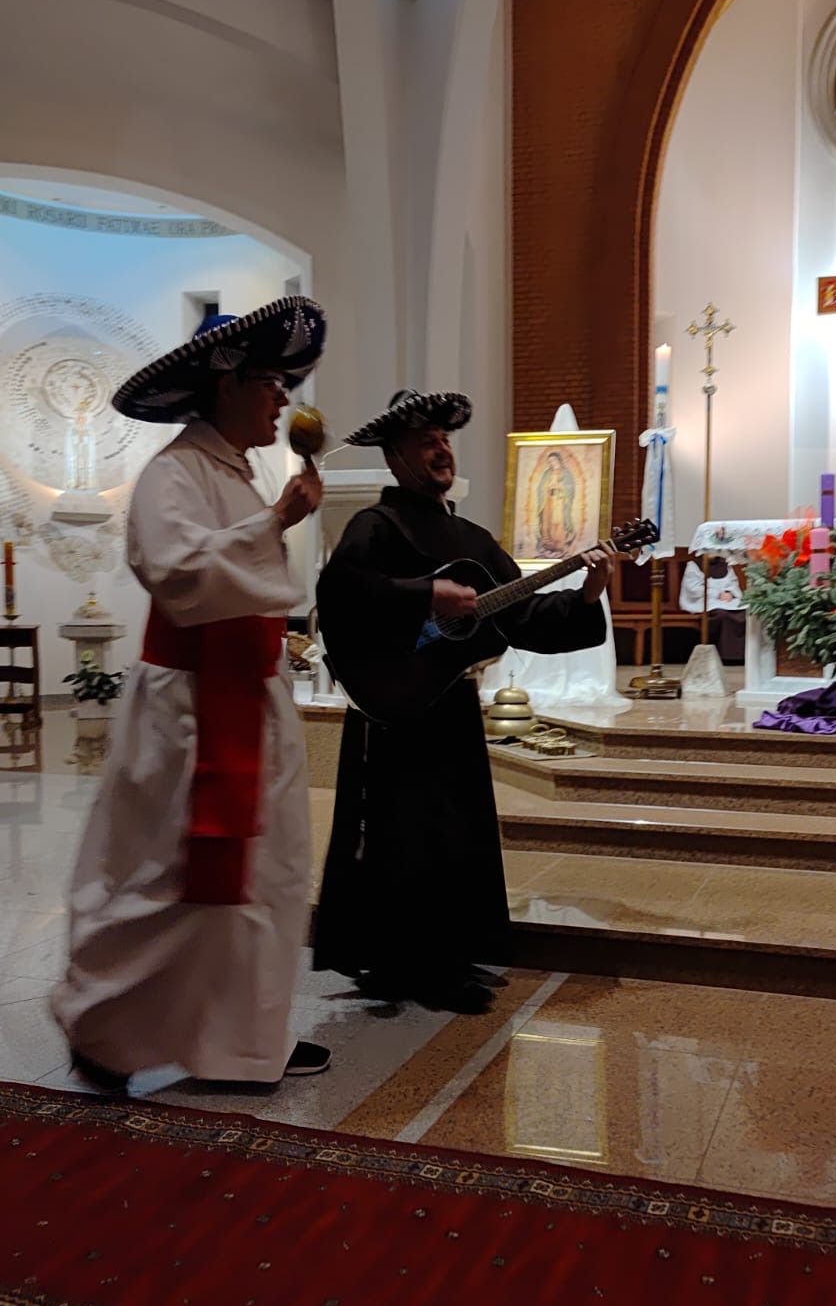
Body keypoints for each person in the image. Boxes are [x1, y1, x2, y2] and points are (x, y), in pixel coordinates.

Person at [54, 296, 331, 1093]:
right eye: (271, 383)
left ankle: (244, 1042)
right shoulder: (173, 472)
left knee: (265, 875)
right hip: (191, 709)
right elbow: (174, 572)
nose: (283, 399)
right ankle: (104, 1031)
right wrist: (273, 522)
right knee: (167, 880)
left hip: (249, 696)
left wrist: (272, 520)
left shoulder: (236, 473)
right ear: (225, 385)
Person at [312, 389, 612, 1014]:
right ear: (394, 456)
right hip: (394, 705)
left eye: (444, 438)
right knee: (403, 834)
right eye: (425, 440)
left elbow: (522, 614)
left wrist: (588, 595)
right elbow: (342, 593)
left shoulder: (472, 538)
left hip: (447, 704)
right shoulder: (376, 526)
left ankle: (447, 955)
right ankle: (404, 963)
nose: (440, 449)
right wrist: (427, 595)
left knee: (455, 832)